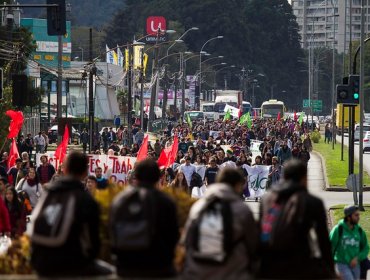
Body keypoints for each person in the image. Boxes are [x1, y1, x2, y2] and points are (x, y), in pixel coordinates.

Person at [30, 151, 113, 277]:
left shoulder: (48, 193)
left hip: (39, 262)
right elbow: (93, 244)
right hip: (71, 265)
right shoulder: (86, 200)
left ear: (65, 169)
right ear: (85, 172)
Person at [259, 159, 335, 279]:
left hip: (270, 265)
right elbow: (323, 241)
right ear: (304, 178)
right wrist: (331, 272)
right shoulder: (311, 201)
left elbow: (261, 231)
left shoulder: (266, 199)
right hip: (300, 265)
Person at [181, 168, 258, 280]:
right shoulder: (242, 210)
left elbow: (186, 241)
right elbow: (253, 245)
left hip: (196, 272)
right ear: (237, 185)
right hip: (231, 274)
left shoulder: (198, 206)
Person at [110, 159, 179, 278]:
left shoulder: (120, 200)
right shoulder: (166, 202)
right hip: (159, 268)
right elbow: (173, 236)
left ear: (136, 176)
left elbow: (111, 233)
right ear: (158, 177)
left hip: (125, 267)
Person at [330, 205, 369, 280]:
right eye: (356, 215)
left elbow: (366, 248)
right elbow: (330, 247)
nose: (359, 217)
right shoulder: (338, 229)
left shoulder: (359, 230)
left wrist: (357, 258)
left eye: (359, 215)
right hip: (341, 264)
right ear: (348, 217)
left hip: (355, 265)